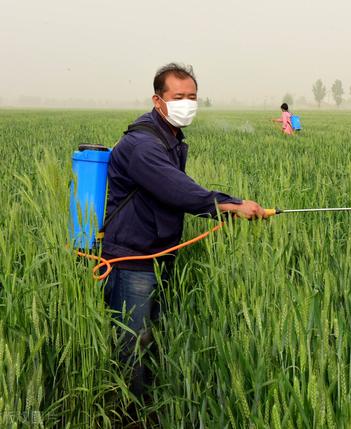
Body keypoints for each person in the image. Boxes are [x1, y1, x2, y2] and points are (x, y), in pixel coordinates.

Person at [102, 63, 267, 402]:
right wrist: (231, 205)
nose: (187, 103)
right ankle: (127, 413)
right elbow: (176, 189)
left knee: (150, 337)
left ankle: (148, 402)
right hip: (132, 258)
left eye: (192, 97)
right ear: (158, 100)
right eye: (178, 97)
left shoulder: (170, 137)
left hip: (158, 253)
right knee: (130, 343)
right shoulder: (143, 144)